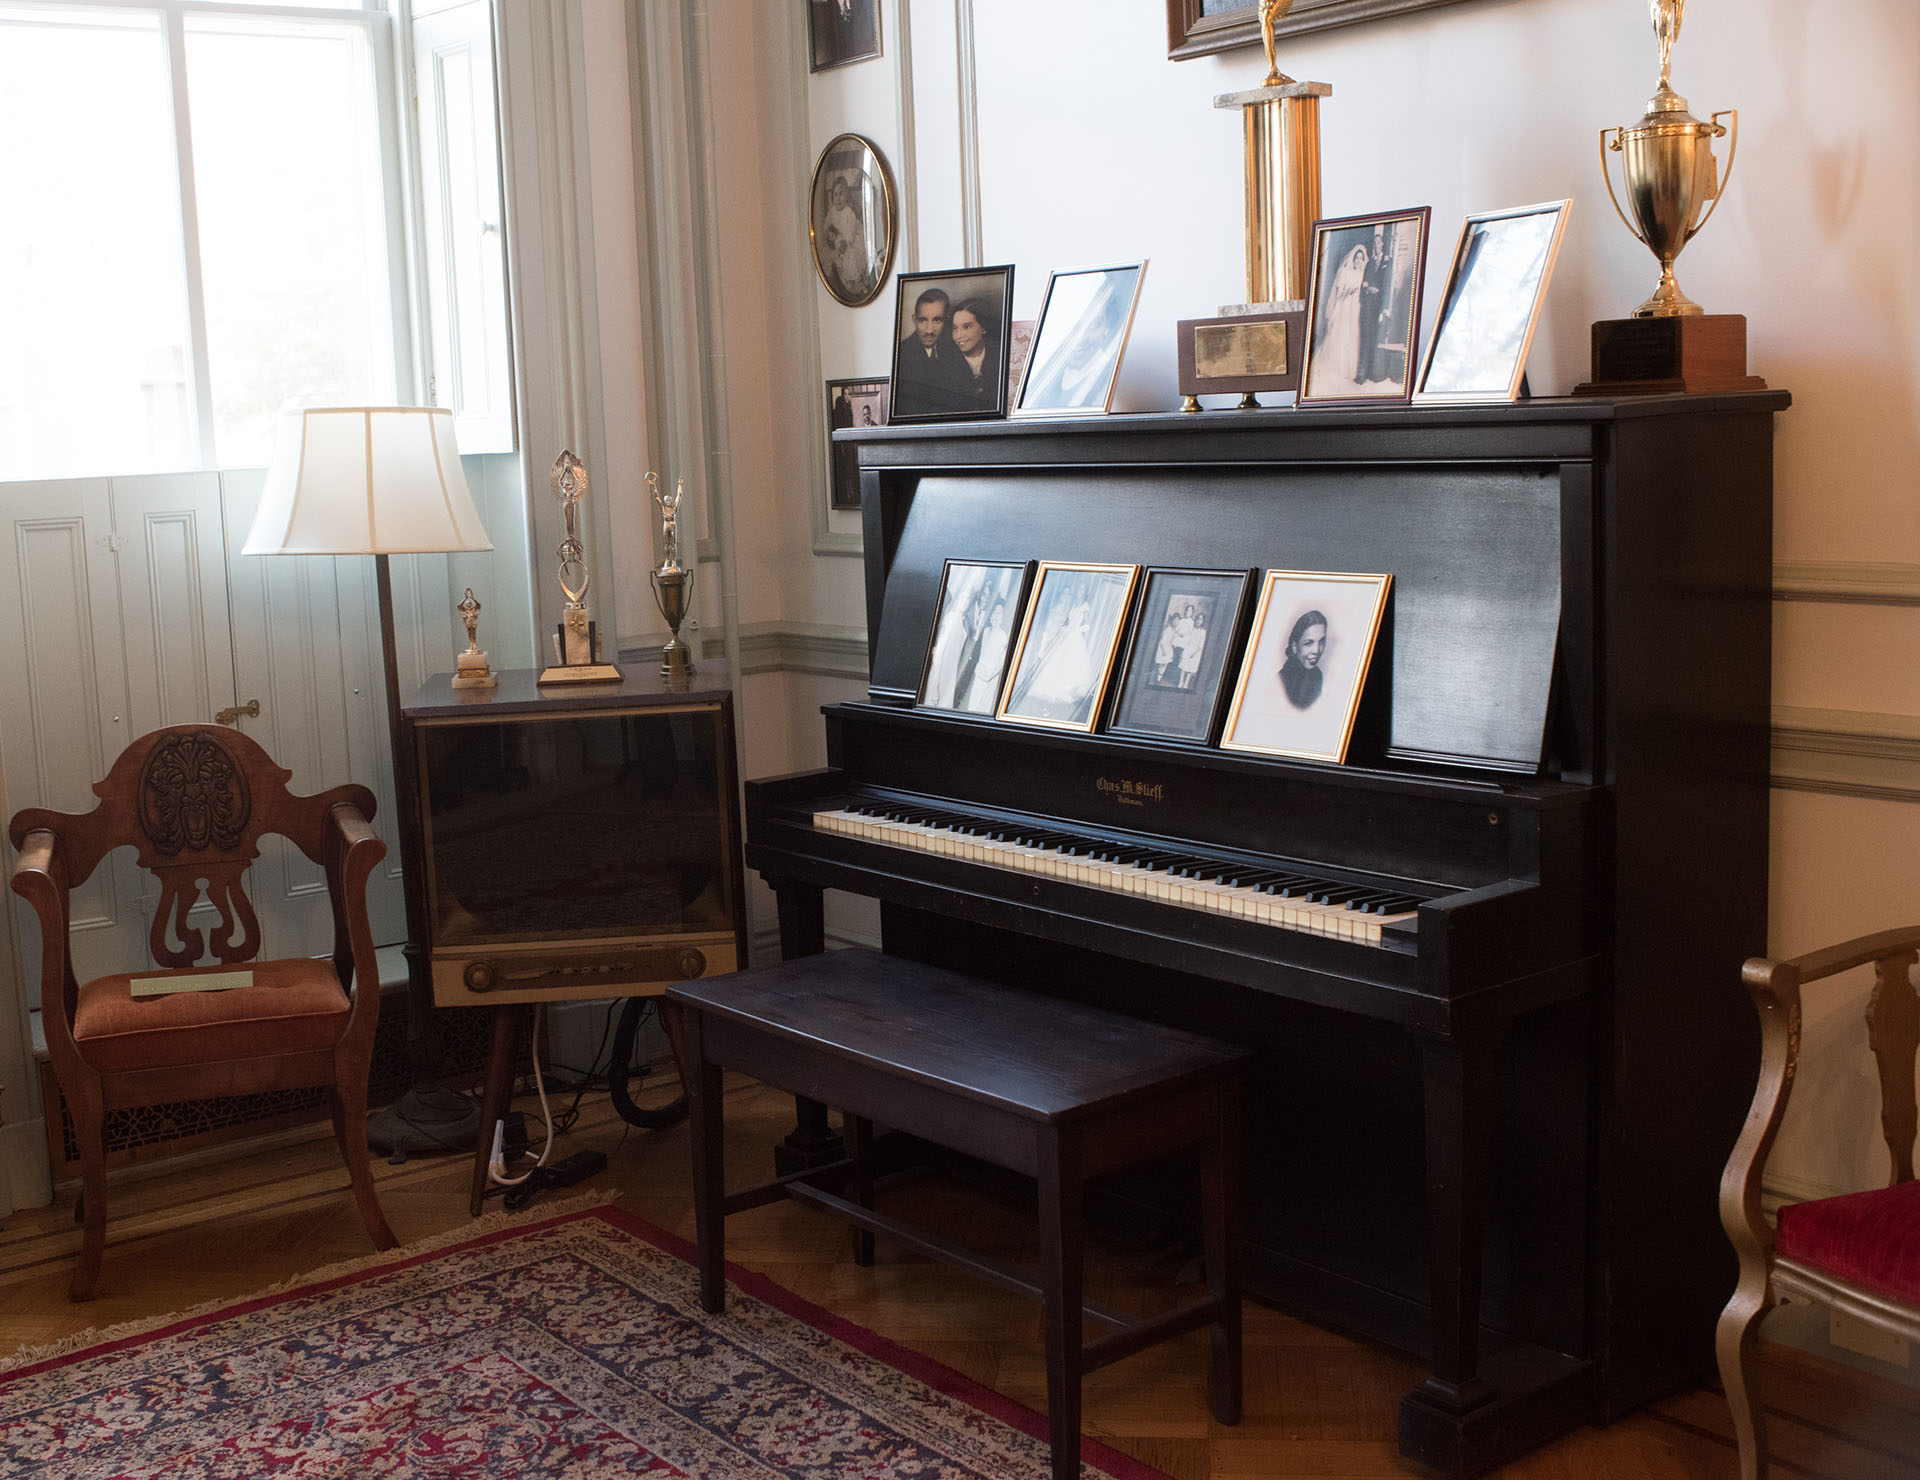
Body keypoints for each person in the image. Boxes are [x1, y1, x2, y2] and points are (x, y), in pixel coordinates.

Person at [1021, 280, 1129, 411]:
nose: (1081, 338)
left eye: (1094, 325)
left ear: (1108, 329)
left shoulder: (1111, 382)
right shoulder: (1045, 377)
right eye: (1074, 326)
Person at [895, 287, 971, 416]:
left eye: (937, 320)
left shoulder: (954, 350)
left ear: (946, 321)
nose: (929, 330)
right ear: (914, 320)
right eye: (923, 320)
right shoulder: (901, 355)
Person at [1311, 243, 1368, 392]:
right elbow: (1339, 294)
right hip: (1344, 307)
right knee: (1340, 335)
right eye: (1357, 258)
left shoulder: (1362, 274)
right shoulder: (1344, 272)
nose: (1358, 261)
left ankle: (1349, 371)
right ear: (1353, 259)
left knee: (1351, 336)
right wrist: (1347, 292)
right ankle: (1336, 367)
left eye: (1361, 258)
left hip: (1354, 308)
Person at [947, 299, 998, 411]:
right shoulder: (945, 364)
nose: (958, 336)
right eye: (955, 328)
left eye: (967, 327)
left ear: (983, 328)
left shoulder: (999, 357)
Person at [963, 599, 1011, 712]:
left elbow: (1002, 660)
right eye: (994, 612)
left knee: (983, 708)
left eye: (999, 613)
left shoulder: (1003, 636)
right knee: (972, 706)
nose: (995, 615)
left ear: (1003, 617)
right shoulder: (986, 630)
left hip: (990, 676)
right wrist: (977, 668)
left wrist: (991, 675)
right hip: (979, 674)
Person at [1278, 609, 1328, 710]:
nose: (1317, 650)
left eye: (1321, 642)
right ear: (1295, 647)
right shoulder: (1281, 680)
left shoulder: (1317, 675)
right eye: (1308, 643)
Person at [1177, 608, 1207, 689]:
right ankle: (1181, 682)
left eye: (1200, 620)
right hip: (1188, 648)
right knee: (1183, 666)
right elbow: (1186, 637)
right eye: (1197, 619)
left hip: (1196, 651)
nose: (1198, 621)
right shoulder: (1191, 628)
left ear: (1203, 621)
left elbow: (1200, 645)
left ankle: (1186, 683)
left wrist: (1194, 653)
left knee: (1190, 668)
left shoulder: (1203, 632)